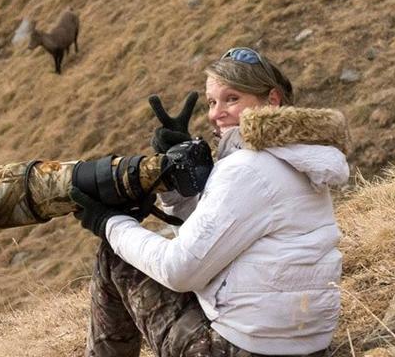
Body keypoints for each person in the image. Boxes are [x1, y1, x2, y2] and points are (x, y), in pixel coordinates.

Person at [70, 47, 350, 357]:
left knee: (116, 255)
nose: (216, 114)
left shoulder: (248, 168)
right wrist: (178, 185)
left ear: (271, 100)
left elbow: (180, 270)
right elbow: (207, 243)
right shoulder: (296, 156)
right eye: (212, 102)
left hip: (241, 349)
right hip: (304, 344)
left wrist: (108, 223)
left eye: (232, 99)